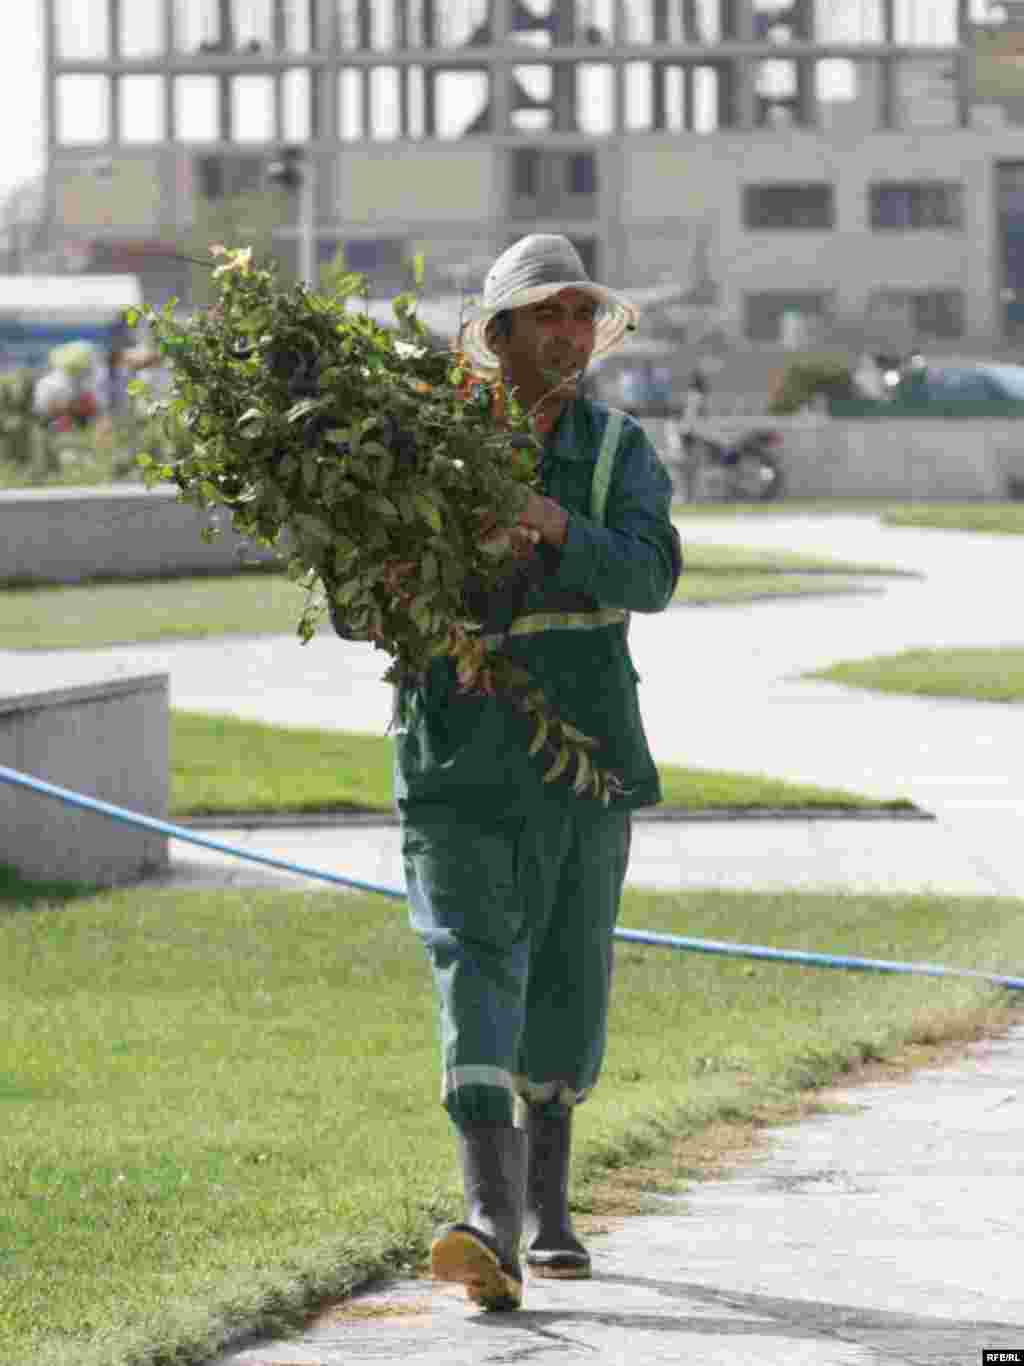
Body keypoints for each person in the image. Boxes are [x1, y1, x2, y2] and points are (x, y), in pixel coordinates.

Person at [393, 234, 682, 1312]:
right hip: (456, 747)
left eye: (579, 316)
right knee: (471, 957)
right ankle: (490, 1218)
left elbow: (651, 575)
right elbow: (353, 604)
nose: (565, 334)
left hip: (586, 751)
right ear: (497, 333)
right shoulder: (424, 445)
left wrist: (558, 527)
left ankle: (550, 1206)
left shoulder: (618, 451)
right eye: (544, 316)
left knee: (567, 963)